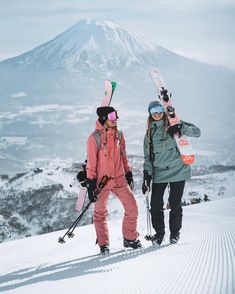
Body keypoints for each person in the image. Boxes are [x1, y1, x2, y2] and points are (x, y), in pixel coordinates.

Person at [142, 100, 201, 245]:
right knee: (155, 206)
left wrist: (181, 128)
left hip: (178, 170)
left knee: (174, 204)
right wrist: (147, 175)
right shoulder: (149, 134)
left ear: (163, 110)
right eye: (153, 110)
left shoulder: (173, 122)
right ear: (150, 114)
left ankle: (175, 234)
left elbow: (197, 132)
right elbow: (148, 158)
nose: (157, 113)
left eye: (159, 109)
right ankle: (159, 233)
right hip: (159, 173)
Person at [86, 106, 141, 255]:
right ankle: (104, 245)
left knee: (132, 208)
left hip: (119, 179)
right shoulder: (94, 138)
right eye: (112, 117)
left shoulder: (120, 135)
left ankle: (130, 238)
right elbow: (91, 163)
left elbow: (123, 156)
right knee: (100, 213)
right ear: (104, 119)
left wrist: (128, 173)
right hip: (101, 182)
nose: (115, 119)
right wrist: (91, 184)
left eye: (116, 116)